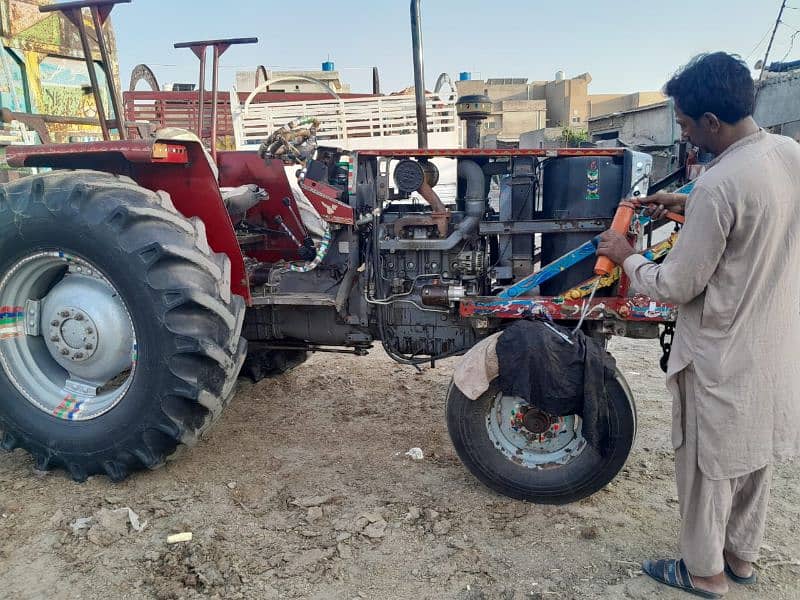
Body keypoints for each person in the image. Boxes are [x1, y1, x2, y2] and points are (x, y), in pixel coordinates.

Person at [597, 52, 800, 598]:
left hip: (720, 350)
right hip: (775, 344)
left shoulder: (718, 186)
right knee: (753, 457)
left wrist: (625, 255)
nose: (684, 134)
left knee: (707, 465)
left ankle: (704, 572)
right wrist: (682, 202)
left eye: (685, 124)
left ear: (712, 122)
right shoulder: (788, 154)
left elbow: (674, 287)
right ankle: (740, 558)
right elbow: (753, 221)